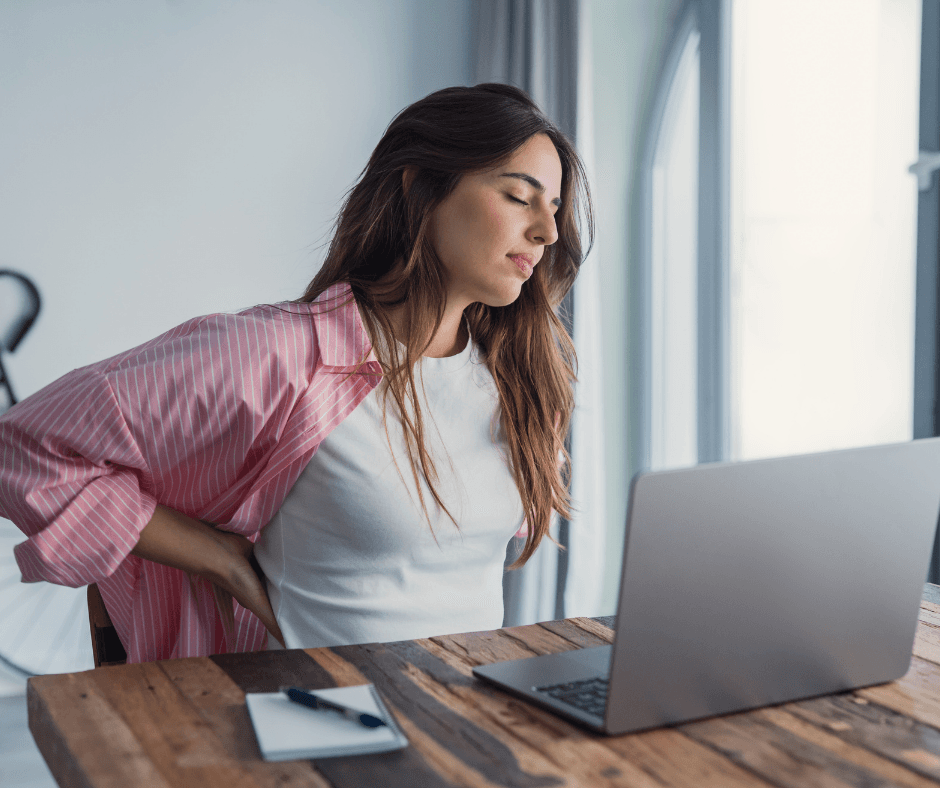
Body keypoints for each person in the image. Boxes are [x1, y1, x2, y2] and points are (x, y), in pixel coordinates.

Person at [0, 83, 594, 663]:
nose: (548, 231)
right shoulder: (282, 356)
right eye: (520, 196)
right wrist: (217, 557)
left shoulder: (520, 381)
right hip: (326, 722)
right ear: (420, 190)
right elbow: (22, 447)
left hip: (468, 718)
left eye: (556, 208)